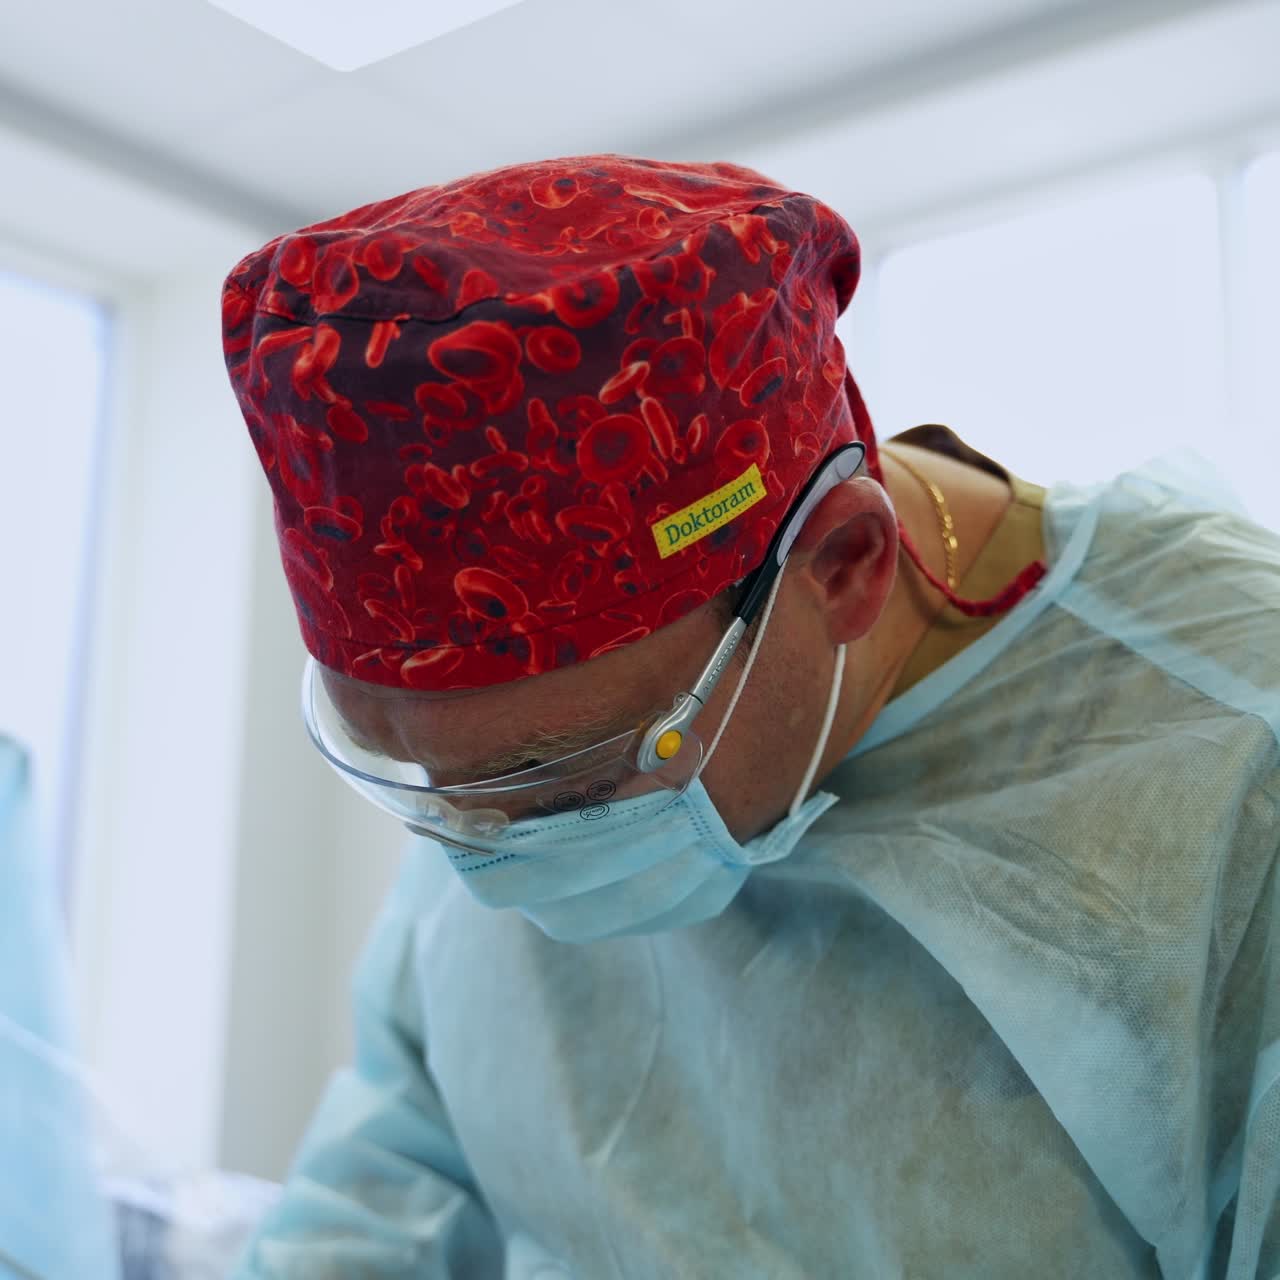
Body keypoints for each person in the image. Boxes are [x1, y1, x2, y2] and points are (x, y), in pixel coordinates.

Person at [219, 155, 1279, 1278]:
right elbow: (390, 1188)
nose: (496, 856)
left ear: (843, 564)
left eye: (572, 788)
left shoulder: (1229, 762)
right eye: (426, 781)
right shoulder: (497, 765)